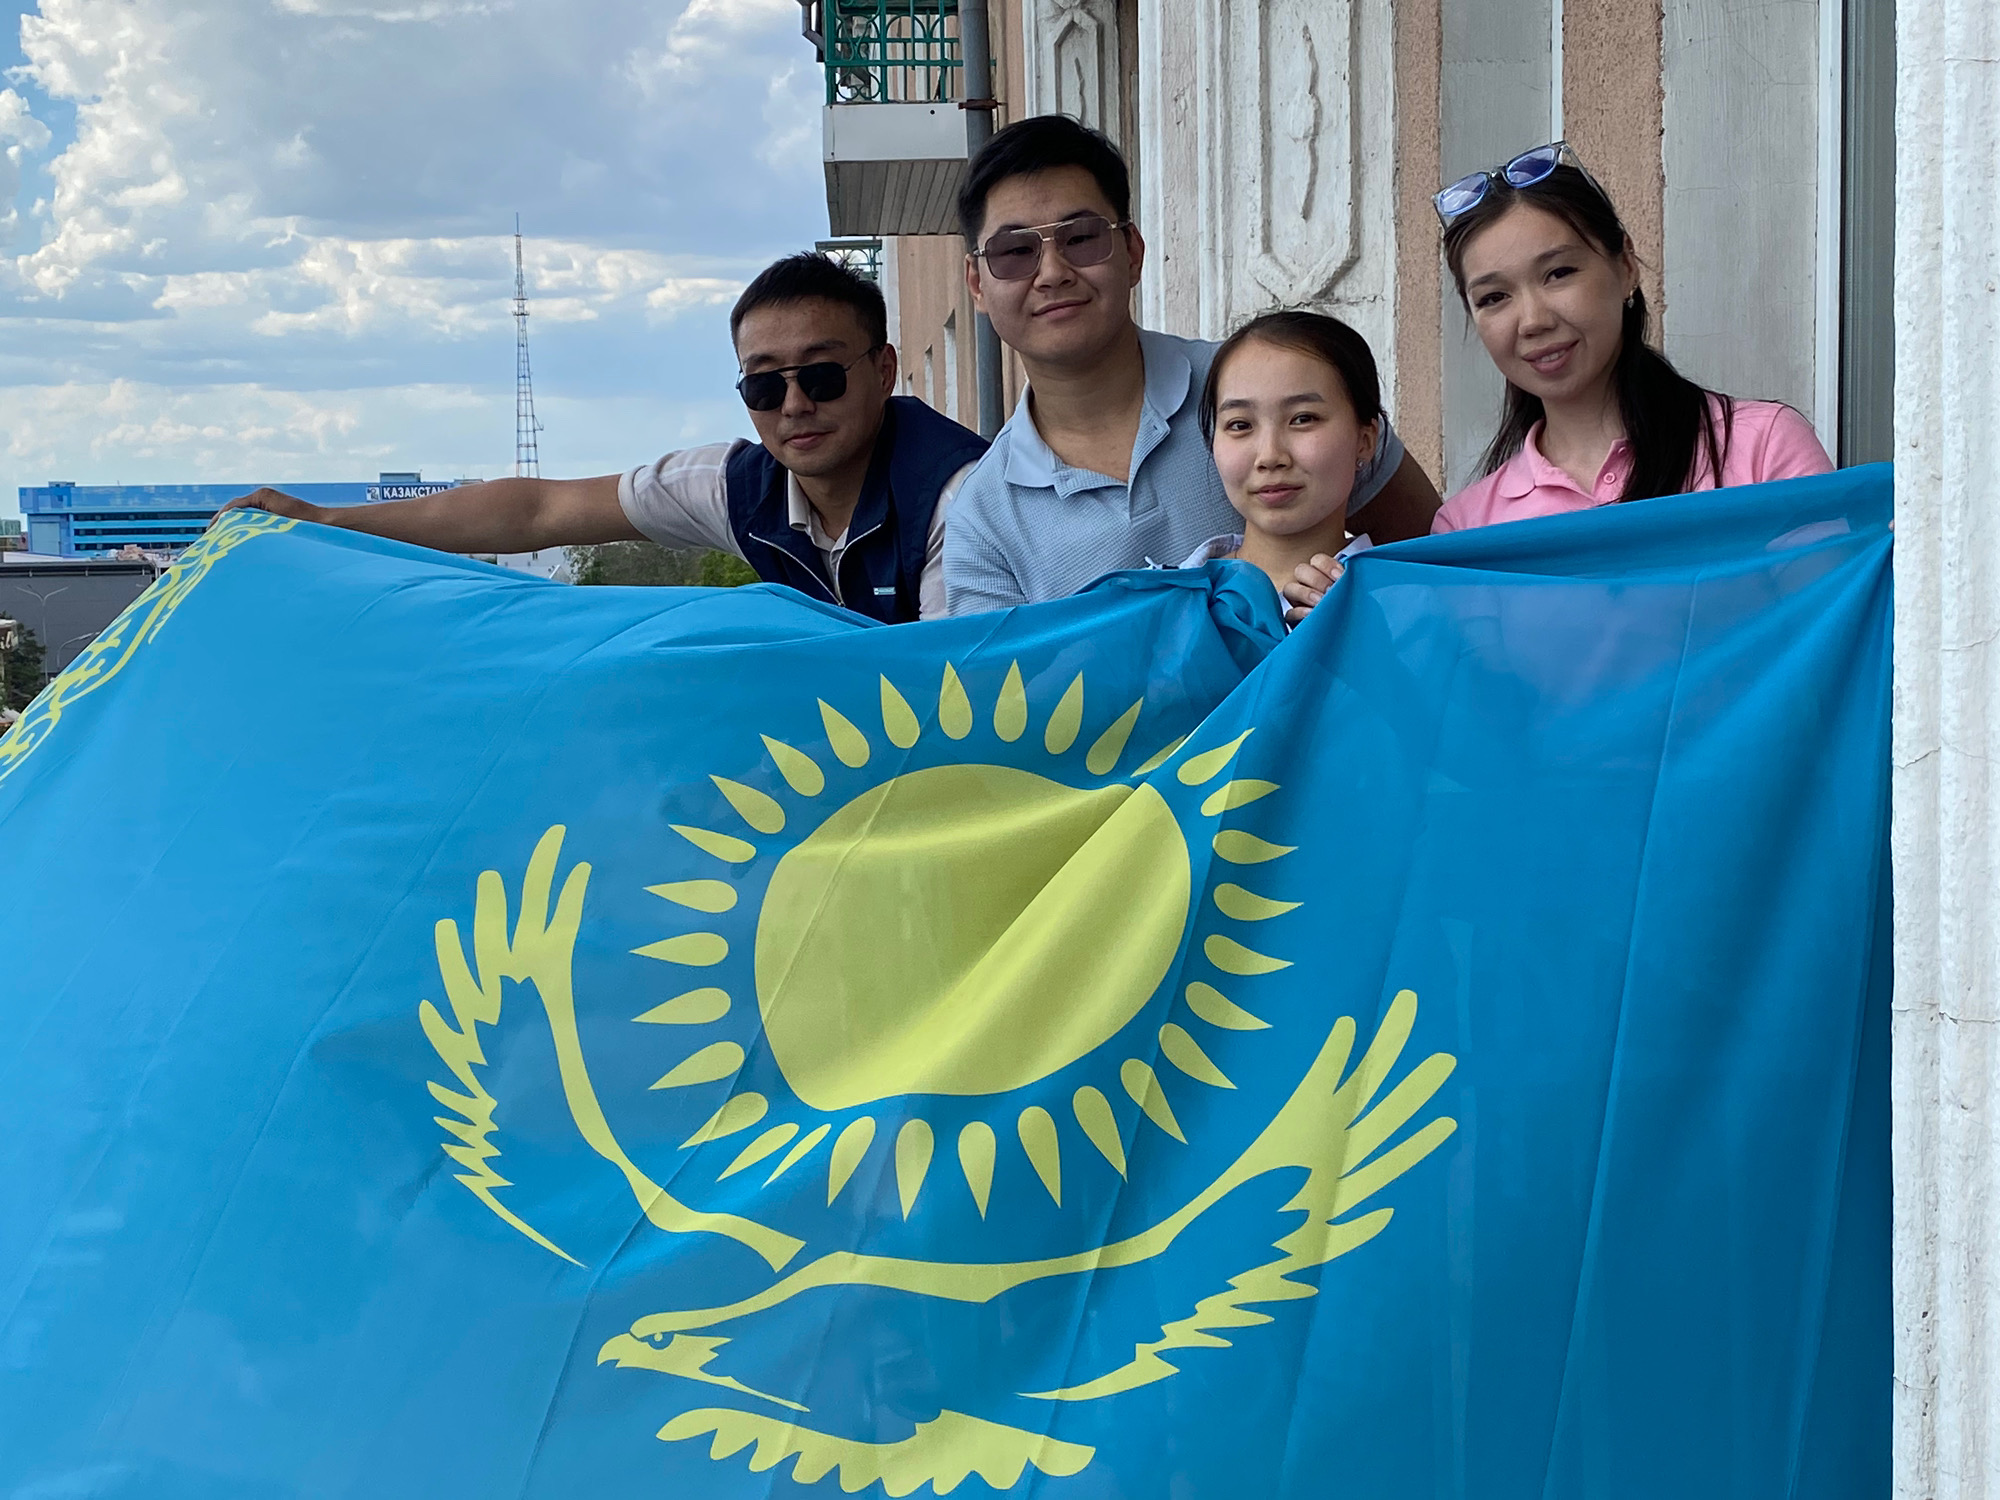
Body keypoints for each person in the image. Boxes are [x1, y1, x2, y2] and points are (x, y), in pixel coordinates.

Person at [221, 254, 986, 624]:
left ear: (883, 370)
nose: (793, 405)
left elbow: (950, 691)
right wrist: (323, 521)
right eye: (763, 384)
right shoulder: (742, 489)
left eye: (820, 375)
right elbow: (537, 512)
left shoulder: (961, 501)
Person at [943, 116, 1440, 617]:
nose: (1052, 273)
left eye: (1081, 238)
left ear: (1133, 252)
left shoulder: (1266, 387)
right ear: (977, 283)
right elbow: (1008, 669)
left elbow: (1436, 561)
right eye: (1015, 251)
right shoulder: (984, 522)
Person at [1431, 142, 1832, 534]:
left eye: (1559, 273)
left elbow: (1829, 578)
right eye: (1494, 297)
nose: (1533, 321)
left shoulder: (1763, 448)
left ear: (1625, 266)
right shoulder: (1464, 529)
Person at [1186, 310, 1384, 628]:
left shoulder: (1406, 607)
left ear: (1365, 440)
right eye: (1240, 425)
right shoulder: (1163, 606)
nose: (1270, 456)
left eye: (1303, 418)